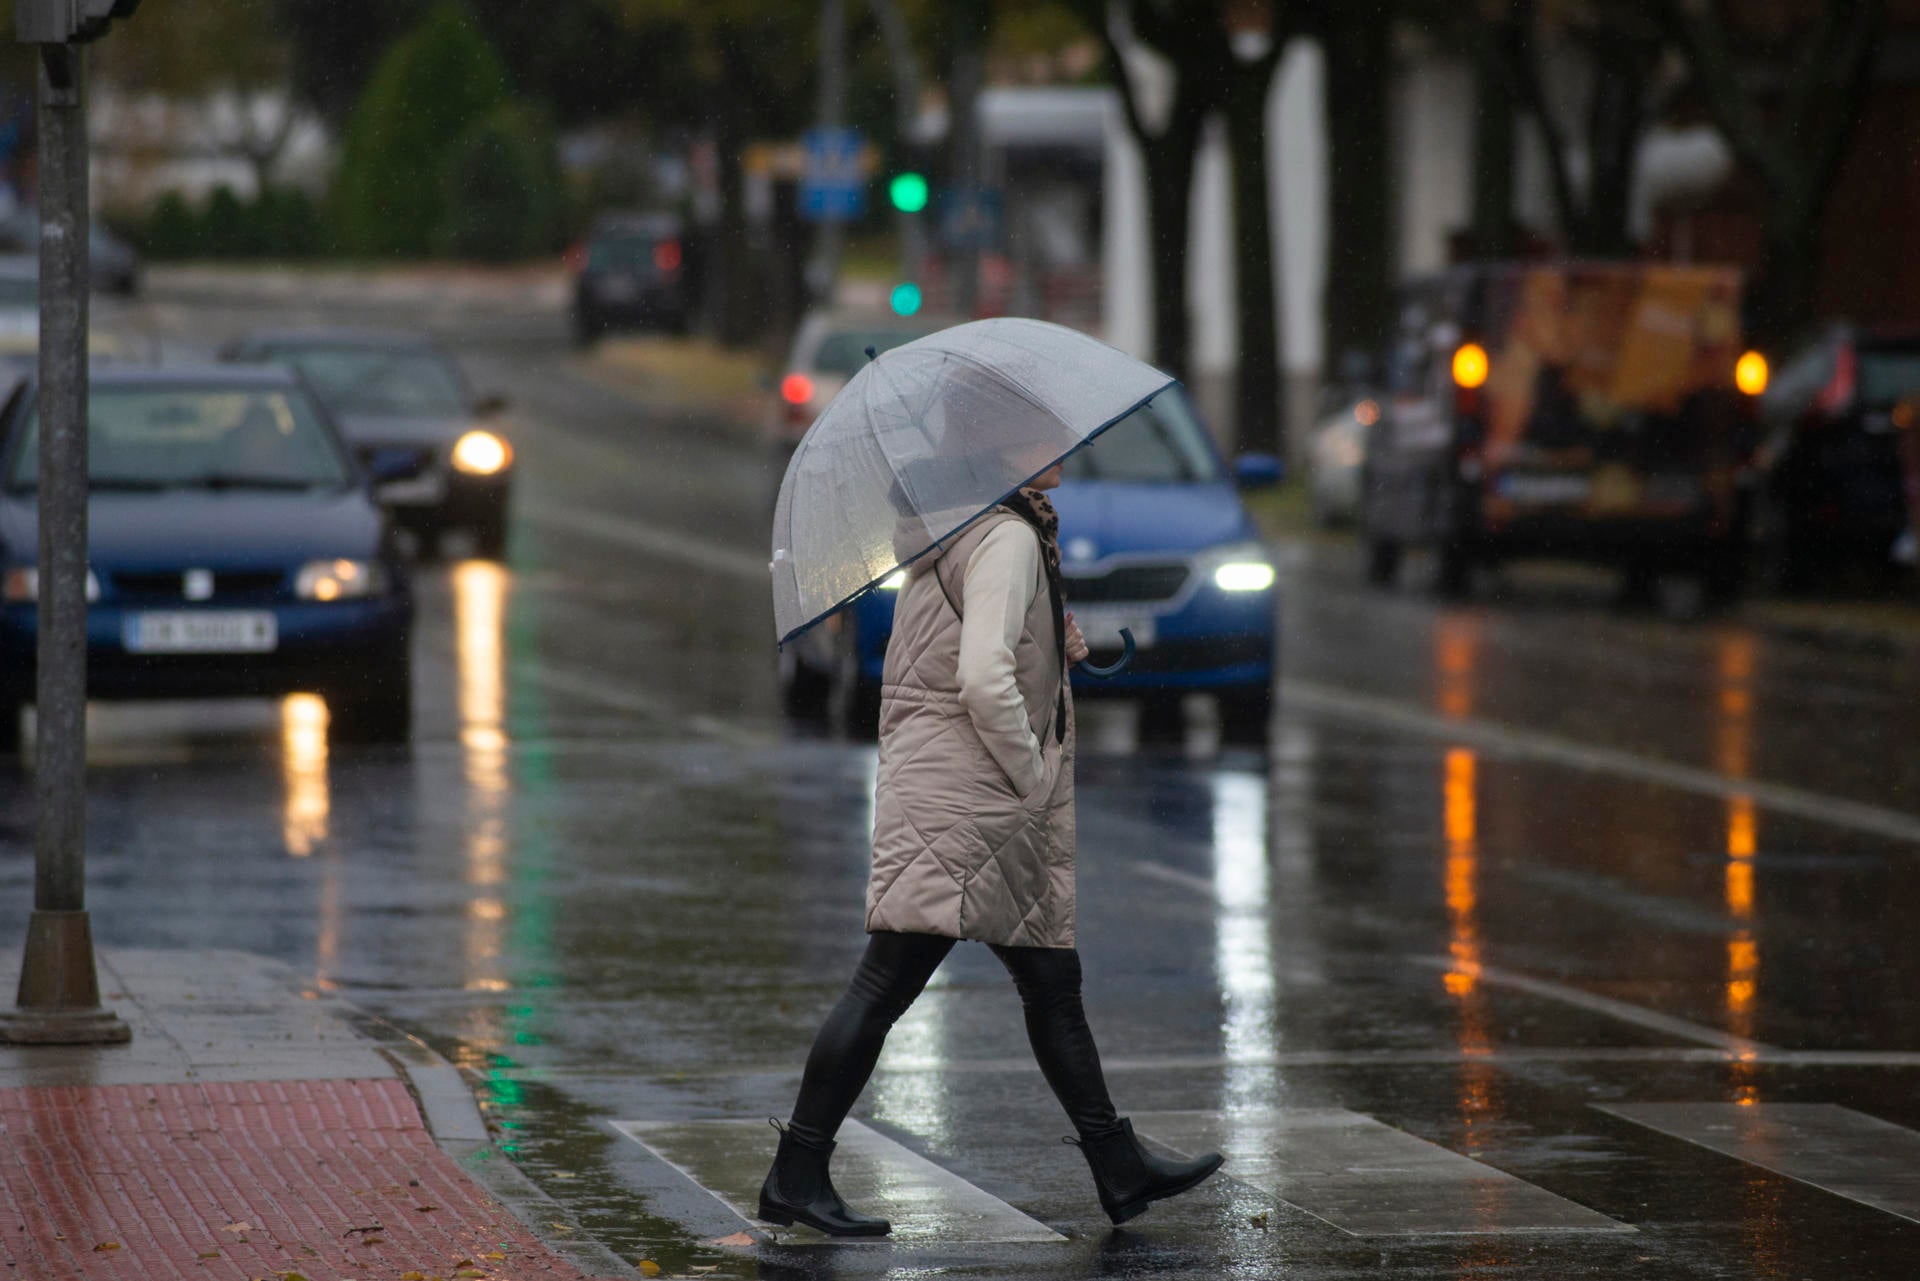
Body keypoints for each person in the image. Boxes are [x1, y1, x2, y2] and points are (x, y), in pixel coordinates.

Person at [759, 459, 1224, 1236]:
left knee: (1049, 978)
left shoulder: (963, 524)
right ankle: (795, 1171)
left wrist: (1052, 635)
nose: (1070, 449)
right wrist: (1033, 768)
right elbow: (980, 676)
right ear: (1007, 450)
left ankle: (1117, 1161)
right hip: (969, 800)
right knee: (886, 983)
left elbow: (958, 643)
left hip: (948, 788)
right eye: (1049, 436)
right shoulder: (1005, 534)